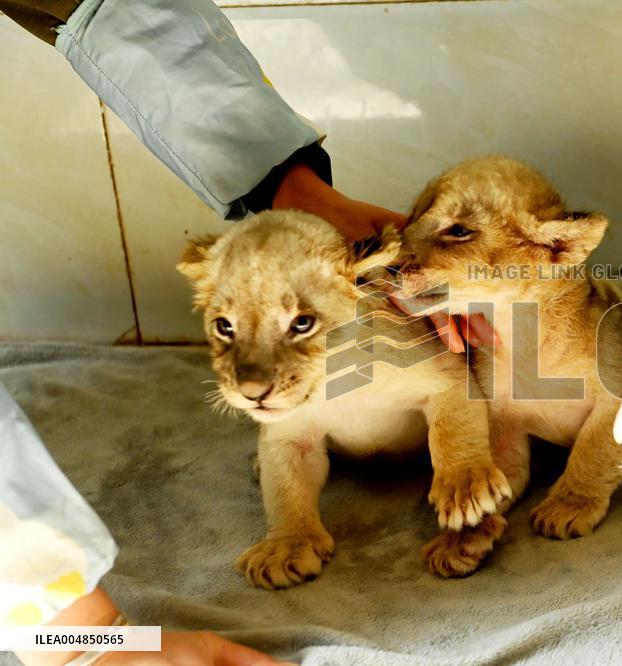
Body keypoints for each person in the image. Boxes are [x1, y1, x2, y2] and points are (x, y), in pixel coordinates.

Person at [0, 0, 486, 663]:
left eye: (301, 325)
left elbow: (115, 8)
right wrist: (79, 642)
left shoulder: (378, 322)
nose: (253, 381)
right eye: (223, 329)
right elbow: (286, 443)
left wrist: (289, 185)